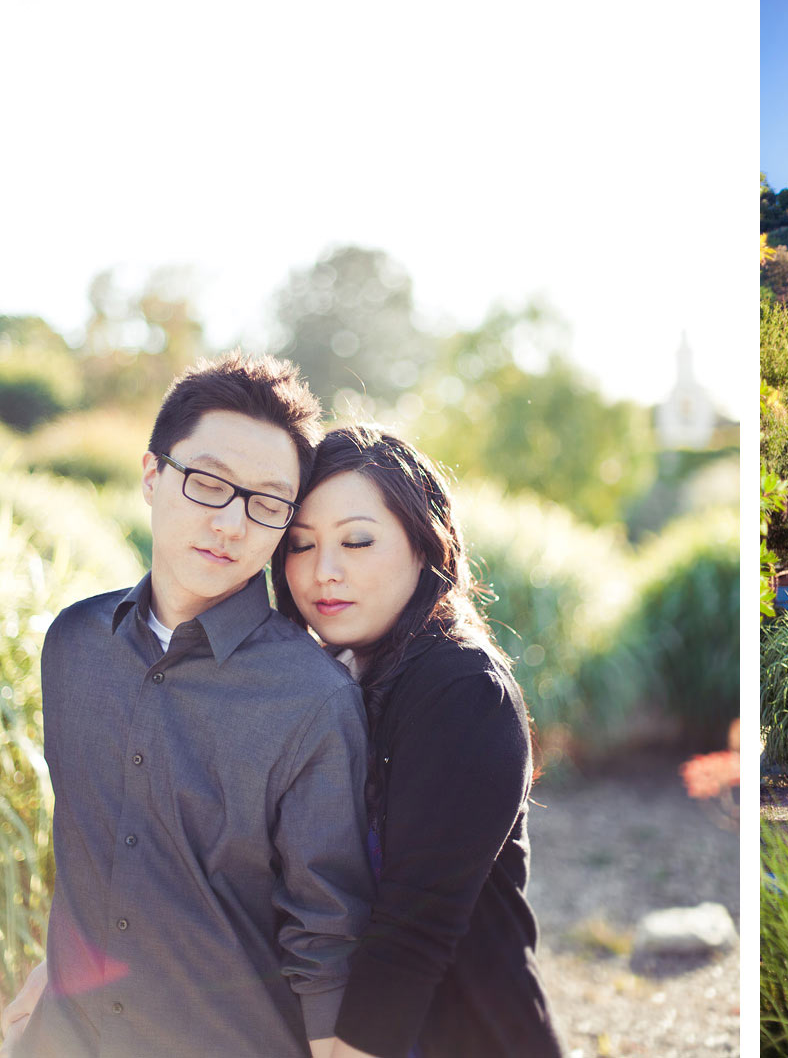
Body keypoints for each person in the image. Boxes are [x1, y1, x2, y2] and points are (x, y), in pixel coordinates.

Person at [6, 353, 374, 1058]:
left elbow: (326, 938)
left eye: (266, 502)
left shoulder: (313, 699)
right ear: (152, 476)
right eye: (207, 483)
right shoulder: (73, 644)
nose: (232, 524)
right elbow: (89, 848)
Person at [271, 425, 564, 1058]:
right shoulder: (333, 676)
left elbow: (411, 936)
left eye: (357, 540)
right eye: (300, 545)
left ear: (425, 542)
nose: (324, 570)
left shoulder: (463, 691)